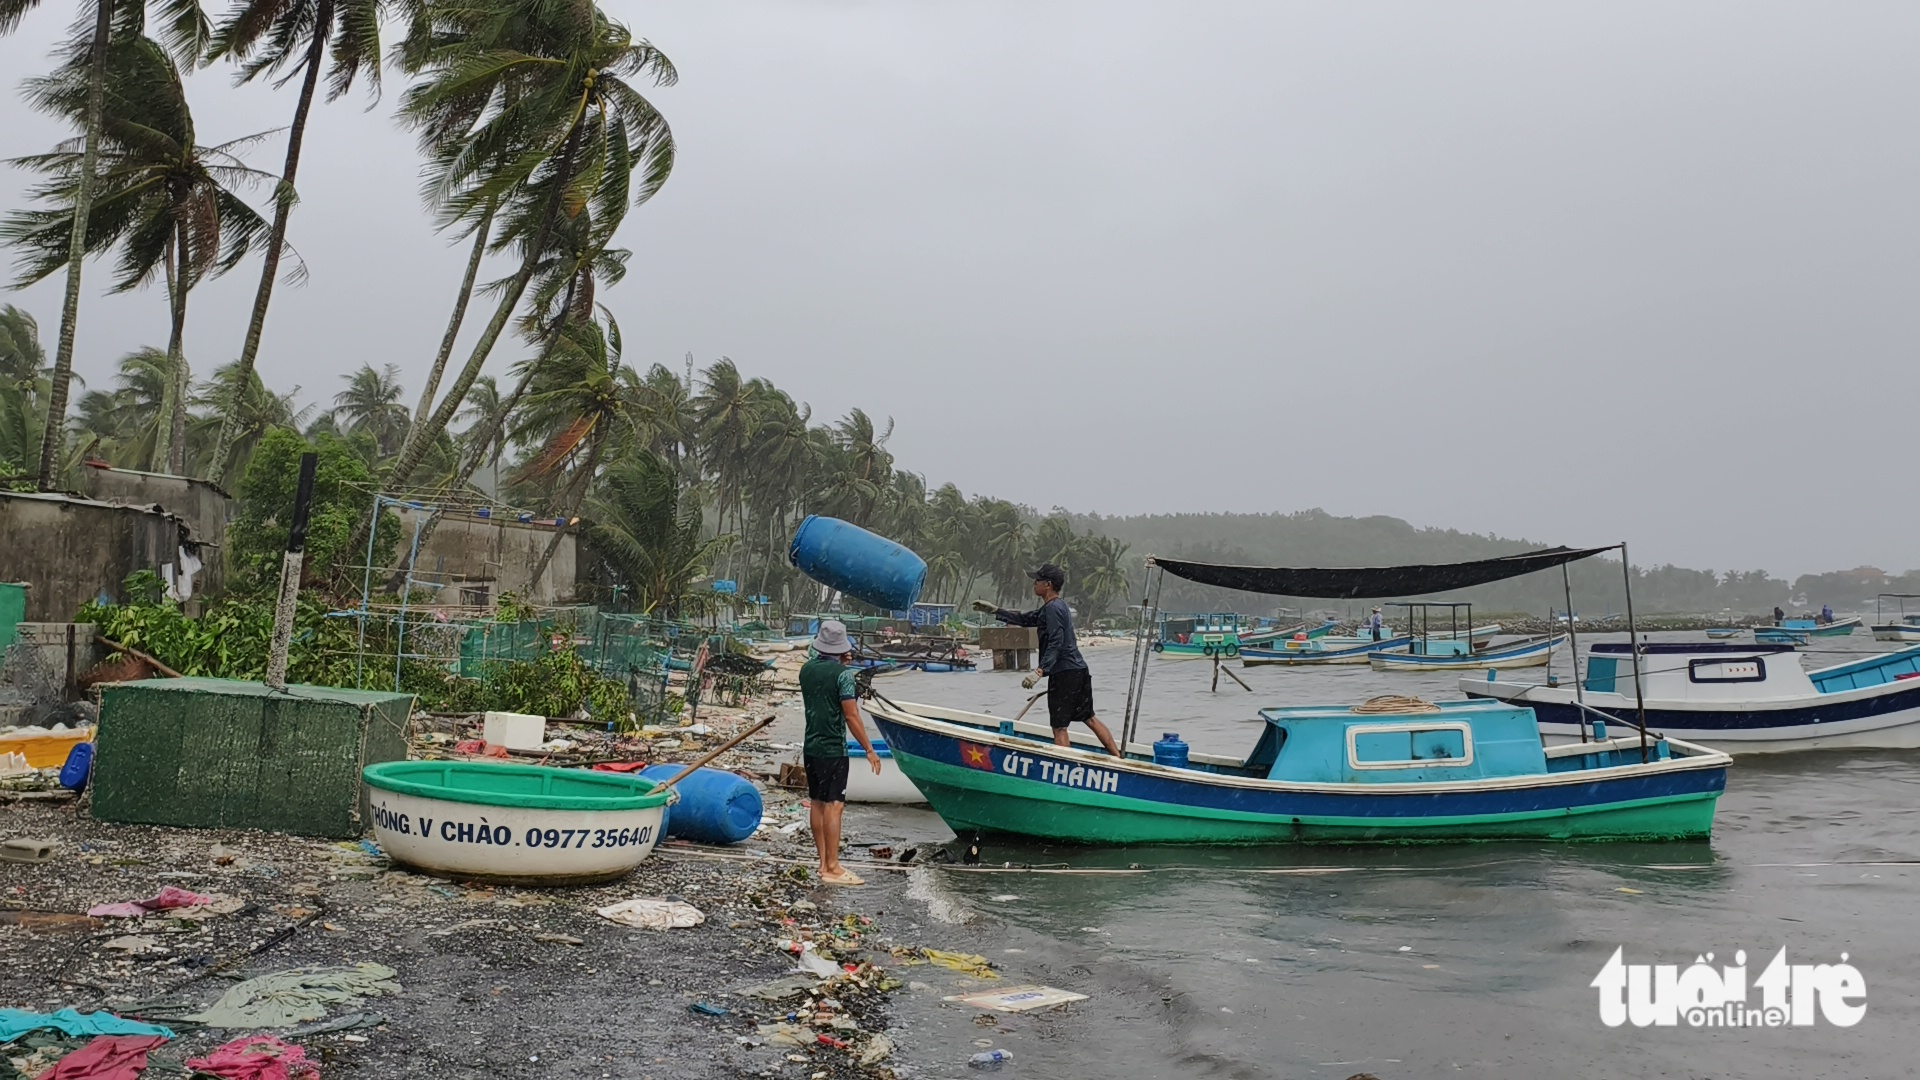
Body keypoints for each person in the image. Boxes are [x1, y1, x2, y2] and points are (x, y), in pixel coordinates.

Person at [973, 563, 1122, 756]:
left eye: (1037, 581)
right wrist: (996, 611)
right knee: (1089, 717)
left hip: (1064, 673)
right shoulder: (1055, 607)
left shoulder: (1052, 609)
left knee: (1059, 726)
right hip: (1079, 670)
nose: (1034, 584)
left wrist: (1040, 670)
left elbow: (1056, 641)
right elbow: (1026, 619)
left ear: (1048, 584)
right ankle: (1118, 757)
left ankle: (1065, 765)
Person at [798, 620, 882, 886]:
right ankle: (833, 866)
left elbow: (821, 695)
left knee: (818, 802)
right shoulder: (843, 675)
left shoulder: (806, 670)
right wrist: (869, 749)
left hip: (811, 746)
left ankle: (823, 862)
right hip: (833, 748)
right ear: (843, 648)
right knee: (835, 805)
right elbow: (851, 715)